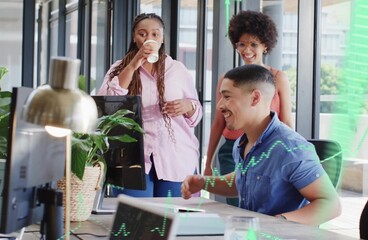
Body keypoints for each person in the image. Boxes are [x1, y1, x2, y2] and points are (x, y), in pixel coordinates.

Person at [182, 64, 341, 225]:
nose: (220, 105)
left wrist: (277, 222)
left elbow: (331, 205)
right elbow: (242, 181)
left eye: (227, 96)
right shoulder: (242, 143)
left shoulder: (290, 148)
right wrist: (204, 182)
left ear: (255, 98)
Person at [98, 13, 202, 197]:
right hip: (131, 156)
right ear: (134, 37)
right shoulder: (119, 68)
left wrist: (188, 107)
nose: (149, 39)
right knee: (134, 218)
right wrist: (132, 65)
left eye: (155, 34)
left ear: (162, 39)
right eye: (143, 34)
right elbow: (106, 106)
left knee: (174, 218)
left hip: (175, 156)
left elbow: (196, 113)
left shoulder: (177, 69)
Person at [204, 11, 293, 206]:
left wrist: (289, 157)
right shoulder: (227, 79)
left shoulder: (278, 78)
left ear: (265, 45)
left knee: (262, 204)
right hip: (230, 150)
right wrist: (208, 163)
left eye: (253, 44)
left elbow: (286, 122)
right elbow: (219, 122)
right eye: (241, 44)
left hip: (266, 150)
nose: (247, 50)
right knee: (236, 207)